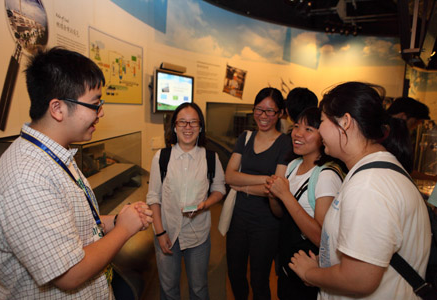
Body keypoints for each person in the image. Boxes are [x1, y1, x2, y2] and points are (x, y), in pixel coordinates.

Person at [0, 47, 153, 299]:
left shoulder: (55, 154)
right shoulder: (26, 178)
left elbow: (73, 226)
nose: (101, 112)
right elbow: (70, 273)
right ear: (58, 108)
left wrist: (117, 220)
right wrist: (124, 230)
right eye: (95, 104)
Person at [289, 82, 431, 299]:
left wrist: (311, 272)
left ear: (345, 122)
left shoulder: (368, 186)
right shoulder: (373, 171)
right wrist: (330, 265)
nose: (320, 130)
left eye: (324, 121)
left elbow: (359, 279)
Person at [146, 102, 226, 300]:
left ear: (200, 127)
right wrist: (160, 232)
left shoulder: (210, 158)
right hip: (167, 233)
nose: (188, 127)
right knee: (168, 289)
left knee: (199, 289)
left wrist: (206, 204)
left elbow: (219, 189)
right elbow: (153, 197)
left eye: (193, 122)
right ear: (174, 126)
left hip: (198, 235)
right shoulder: (161, 157)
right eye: (182, 122)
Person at [265, 107, 344, 300]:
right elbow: (280, 214)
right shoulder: (292, 166)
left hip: (309, 269)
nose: (297, 134)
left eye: (309, 129)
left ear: (323, 135)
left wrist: (285, 196)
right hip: (288, 264)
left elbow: (321, 238)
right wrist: (273, 196)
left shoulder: (326, 175)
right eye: (296, 127)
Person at [225, 87, 291, 300]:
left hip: (266, 223)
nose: (263, 116)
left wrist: (243, 184)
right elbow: (229, 176)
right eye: (259, 110)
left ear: (280, 113)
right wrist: (265, 179)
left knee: (259, 280)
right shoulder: (245, 138)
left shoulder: (285, 143)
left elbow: (277, 187)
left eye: (270, 111)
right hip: (238, 218)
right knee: (235, 274)